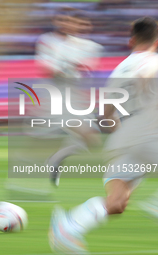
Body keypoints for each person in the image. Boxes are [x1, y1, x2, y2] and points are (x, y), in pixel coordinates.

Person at [49, 17, 158, 254]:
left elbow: (107, 117)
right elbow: (147, 75)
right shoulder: (154, 62)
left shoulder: (120, 69)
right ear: (156, 42)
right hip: (151, 134)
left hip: (123, 139)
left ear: (131, 41)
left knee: (117, 202)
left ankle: (69, 225)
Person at [36, 10, 103, 186]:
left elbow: (85, 71)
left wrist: (73, 71)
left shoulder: (88, 46)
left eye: (70, 21)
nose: (67, 24)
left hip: (74, 97)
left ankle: (55, 160)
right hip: (56, 96)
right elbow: (48, 69)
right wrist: (67, 70)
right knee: (85, 133)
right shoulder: (48, 41)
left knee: (92, 140)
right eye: (63, 21)